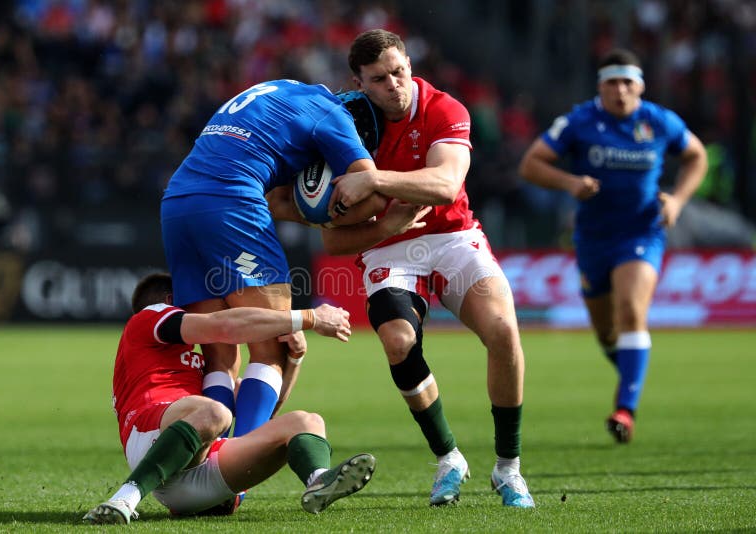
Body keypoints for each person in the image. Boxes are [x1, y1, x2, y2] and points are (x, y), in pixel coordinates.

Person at [320, 29, 535, 508]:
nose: (394, 85)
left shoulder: (444, 108)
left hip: (453, 235)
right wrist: (387, 221)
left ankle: (508, 470)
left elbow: (445, 183)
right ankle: (449, 458)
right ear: (359, 82)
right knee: (398, 341)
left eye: (399, 71)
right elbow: (331, 238)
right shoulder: (345, 127)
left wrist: (372, 179)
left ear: (410, 64)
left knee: (502, 331)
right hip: (390, 246)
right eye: (379, 79)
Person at [160, 79, 386, 438]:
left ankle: (210, 459)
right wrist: (376, 217)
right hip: (230, 202)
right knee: (273, 348)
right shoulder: (336, 116)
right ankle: (236, 475)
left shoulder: (284, 90)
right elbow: (370, 186)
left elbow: (277, 199)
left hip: (177, 204)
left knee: (220, 354)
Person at [518, 48, 707, 443]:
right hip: (592, 237)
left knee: (631, 311)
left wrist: (677, 199)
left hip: (642, 232)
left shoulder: (660, 121)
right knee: (607, 332)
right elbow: (531, 163)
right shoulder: (579, 121)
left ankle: (625, 409)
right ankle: (632, 374)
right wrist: (571, 183)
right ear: (599, 86)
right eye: (611, 82)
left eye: (627, 82)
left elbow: (696, 156)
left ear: (640, 85)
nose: (620, 90)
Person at [83, 272, 375, 524]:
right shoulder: (148, 317)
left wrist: (295, 359)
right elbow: (223, 325)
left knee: (307, 421)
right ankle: (125, 498)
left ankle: (319, 480)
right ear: (170, 301)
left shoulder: (194, 365)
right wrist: (305, 318)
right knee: (216, 414)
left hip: (197, 474)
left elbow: (260, 407)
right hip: (149, 438)